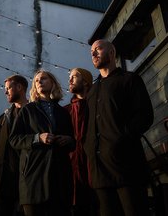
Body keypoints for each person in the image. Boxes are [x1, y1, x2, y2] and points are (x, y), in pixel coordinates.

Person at [84, 39, 154, 216]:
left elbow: (144, 116)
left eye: (98, 49)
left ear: (112, 52)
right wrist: (89, 147)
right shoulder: (92, 90)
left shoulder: (129, 79)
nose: (93, 53)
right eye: (91, 51)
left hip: (127, 167)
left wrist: (120, 139)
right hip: (99, 172)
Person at [9, 69, 76, 216]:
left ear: (53, 83)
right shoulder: (27, 110)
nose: (39, 81)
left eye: (44, 78)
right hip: (33, 178)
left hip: (59, 178)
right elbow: (14, 139)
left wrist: (69, 140)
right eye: (37, 80)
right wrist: (38, 138)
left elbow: (73, 142)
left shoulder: (63, 112)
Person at [0, 75, 29, 216]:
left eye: (8, 88)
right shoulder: (4, 117)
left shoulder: (33, 113)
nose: (5, 92)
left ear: (19, 87)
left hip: (23, 179)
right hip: (1, 180)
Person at [64, 68, 98, 216]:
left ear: (85, 81)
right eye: (69, 77)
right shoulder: (66, 111)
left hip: (96, 169)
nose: (70, 80)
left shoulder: (96, 105)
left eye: (74, 76)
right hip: (73, 172)